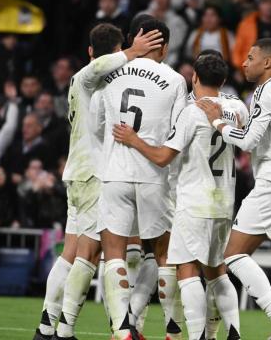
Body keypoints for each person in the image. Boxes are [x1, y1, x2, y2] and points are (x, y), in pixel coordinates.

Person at [36, 24, 163, 340]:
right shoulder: (90, 77)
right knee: (89, 254)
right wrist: (132, 52)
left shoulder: (88, 81)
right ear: (116, 50)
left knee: (71, 252)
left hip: (78, 172)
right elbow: (99, 68)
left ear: (91, 50)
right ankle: (62, 332)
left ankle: (45, 328)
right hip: (93, 174)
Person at [113, 53, 248, 340]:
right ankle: (234, 332)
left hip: (194, 201)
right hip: (224, 201)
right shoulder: (237, 107)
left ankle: (197, 335)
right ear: (223, 80)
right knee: (217, 270)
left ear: (194, 78)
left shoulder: (191, 111)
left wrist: (134, 140)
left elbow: (163, 157)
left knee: (187, 269)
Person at [197, 38, 271, 339]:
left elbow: (248, 141)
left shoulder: (267, 90)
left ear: (268, 63)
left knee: (233, 255)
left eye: (250, 57)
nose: (244, 62)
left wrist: (217, 122)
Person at [92, 18, 187, 340]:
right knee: (162, 254)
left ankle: (122, 331)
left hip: (114, 173)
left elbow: (96, 123)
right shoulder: (175, 81)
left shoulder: (109, 74)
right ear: (166, 46)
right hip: (154, 175)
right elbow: (178, 135)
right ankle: (167, 331)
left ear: (134, 39)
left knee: (114, 252)